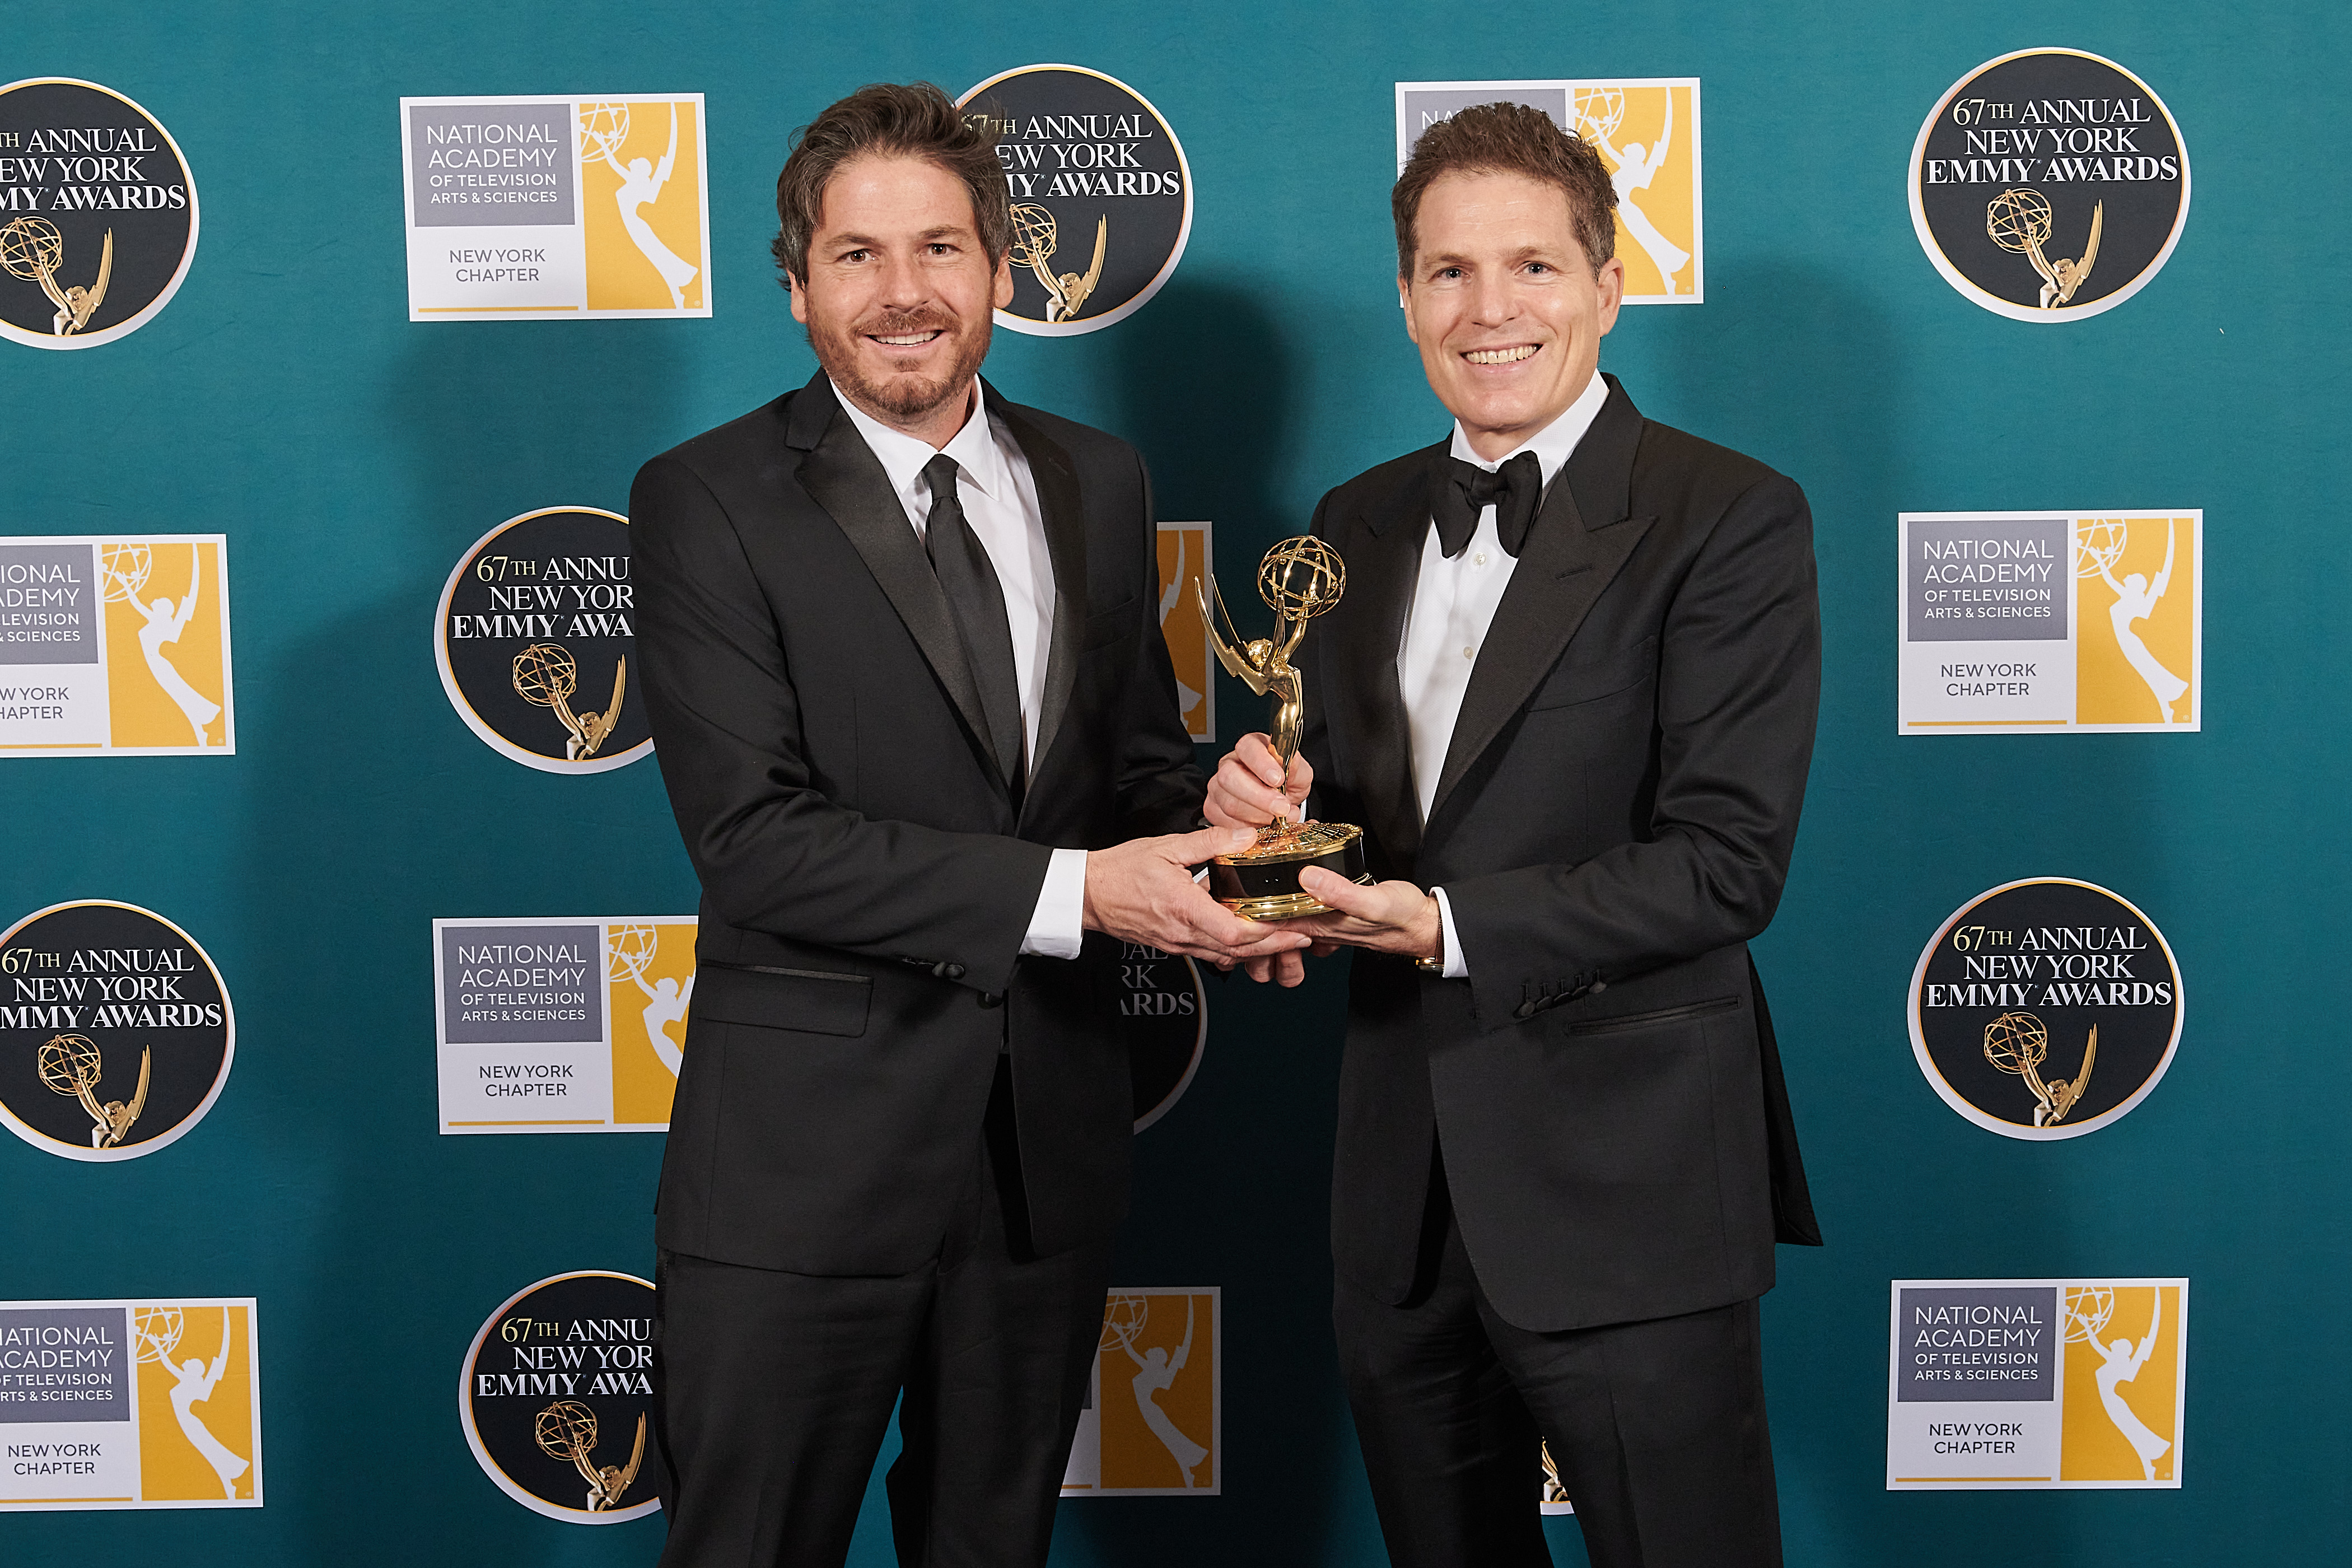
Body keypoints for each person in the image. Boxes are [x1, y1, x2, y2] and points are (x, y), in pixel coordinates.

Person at [631, 81, 1300, 1568]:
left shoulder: (1098, 479)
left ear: (1002, 268)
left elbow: (1131, 772)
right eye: (857, 255)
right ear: (796, 284)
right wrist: (1086, 895)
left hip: (1041, 1157)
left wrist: (1226, 823)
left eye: (940, 248)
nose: (904, 292)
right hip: (802, 1172)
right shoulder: (704, 500)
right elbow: (754, 842)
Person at [1207, 101, 1822, 1568]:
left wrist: (1442, 928)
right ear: (1407, 297)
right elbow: (1345, 810)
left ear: (1608, 285)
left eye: (1533, 267)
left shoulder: (1726, 514)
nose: (1491, 311)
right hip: (1399, 1194)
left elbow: (1727, 863)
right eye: (1450, 272)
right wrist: (1254, 815)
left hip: (1628, 1186)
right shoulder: (1354, 519)